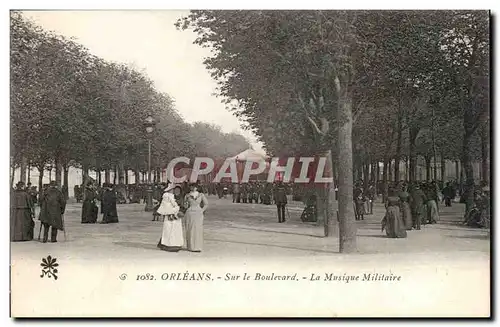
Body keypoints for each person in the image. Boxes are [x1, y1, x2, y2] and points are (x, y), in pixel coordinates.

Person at [157, 184, 183, 252]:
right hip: (172, 214)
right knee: (172, 230)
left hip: (170, 214)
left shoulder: (166, 198)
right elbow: (174, 205)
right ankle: (172, 244)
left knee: (168, 230)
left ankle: (167, 244)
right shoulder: (170, 196)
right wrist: (177, 208)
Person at [183, 183, 208, 252]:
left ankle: (197, 246)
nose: (193, 188)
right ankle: (190, 246)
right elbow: (184, 205)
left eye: (195, 187)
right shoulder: (187, 195)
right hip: (189, 213)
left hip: (198, 213)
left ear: (197, 188)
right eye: (192, 187)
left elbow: (206, 204)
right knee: (190, 229)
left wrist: (202, 210)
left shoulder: (201, 195)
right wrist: (186, 204)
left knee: (198, 229)